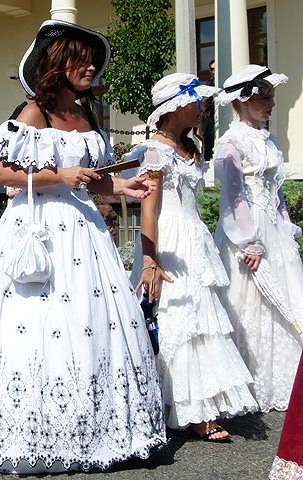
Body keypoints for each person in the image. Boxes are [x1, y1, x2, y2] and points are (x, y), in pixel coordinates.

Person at [0, 19, 166, 474]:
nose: (91, 66)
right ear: (58, 63)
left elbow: (93, 180)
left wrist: (123, 185)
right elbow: (3, 174)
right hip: (39, 228)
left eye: (93, 60)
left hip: (86, 231)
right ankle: (27, 433)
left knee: (90, 323)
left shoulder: (87, 116)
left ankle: (90, 430)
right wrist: (60, 177)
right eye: (81, 58)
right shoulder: (33, 112)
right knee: (36, 323)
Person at [127, 73, 257, 442]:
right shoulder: (155, 150)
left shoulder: (189, 148)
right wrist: (150, 258)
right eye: (195, 101)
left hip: (194, 238)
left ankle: (198, 403)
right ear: (174, 108)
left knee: (200, 320)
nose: (201, 108)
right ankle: (178, 406)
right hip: (168, 240)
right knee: (175, 319)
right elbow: (149, 211)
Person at [214, 64, 303, 412]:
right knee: (248, 303)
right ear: (243, 100)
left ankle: (289, 381)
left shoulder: (270, 139)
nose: (271, 104)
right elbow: (232, 195)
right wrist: (247, 240)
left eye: (271, 97)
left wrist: (286, 224)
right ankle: (248, 384)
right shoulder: (231, 141)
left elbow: (275, 190)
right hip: (245, 229)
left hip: (273, 231)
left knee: (287, 300)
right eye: (263, 97)